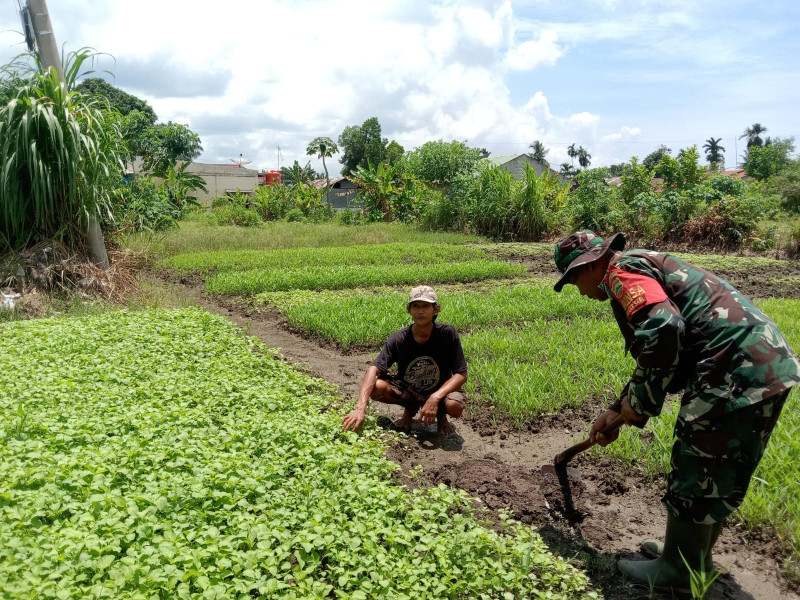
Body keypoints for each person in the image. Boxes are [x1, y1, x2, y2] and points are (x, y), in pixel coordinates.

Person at [553, 230, 800, 591]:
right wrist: (618, 408)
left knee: (697, 465)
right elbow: (667, 352)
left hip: (731, 369)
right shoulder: (642, 263)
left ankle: (678, 571)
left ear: (588, 266)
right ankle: (689, 555)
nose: (579, 290)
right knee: (717, 468)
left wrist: (639, 404)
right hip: (764, 364)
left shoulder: (619, 273)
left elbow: (664, 330)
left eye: (573, 280)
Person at [341, 285, 468, 436]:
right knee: (376, 388)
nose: (420, 311)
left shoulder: (447, 333)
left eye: (426, 306)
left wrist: (435, 397)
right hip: (410, 390)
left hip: (439, 390)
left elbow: (461, 374)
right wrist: (360, 409)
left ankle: (441, 416)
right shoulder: (398, 338)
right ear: (409, 309)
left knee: (454, 405)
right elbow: (374, 369)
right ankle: (409, 410)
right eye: (415, 306)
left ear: (436, 309)